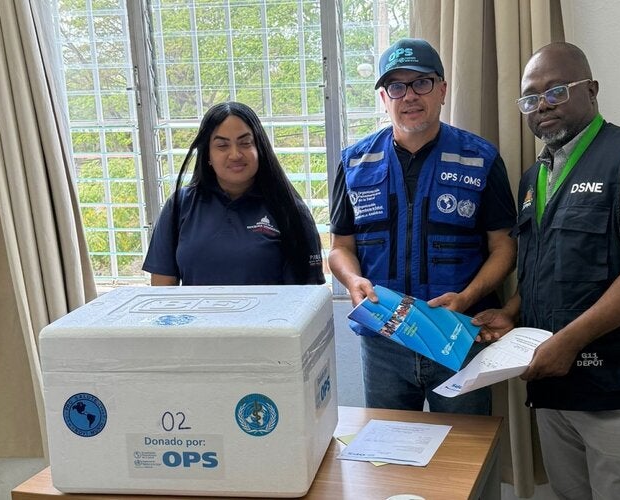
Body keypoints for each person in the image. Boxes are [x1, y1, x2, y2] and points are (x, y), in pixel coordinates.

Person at [473, 42, 620, 500]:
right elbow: (541, 265)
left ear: (590, 90)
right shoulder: (534, 178)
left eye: (555, 92)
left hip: (619, 387)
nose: (541, 107)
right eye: (530, 99)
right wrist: (512, 311)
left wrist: (568, 341)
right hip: (555, 383)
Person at [329, 38, 517, 414]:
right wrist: (352, 282)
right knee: (388, 455)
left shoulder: (480, 158)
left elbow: (504, 247)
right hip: (384, 339)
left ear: (443, 90)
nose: (409, 96)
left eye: (421, 83)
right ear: (384, 98)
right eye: (396, 87)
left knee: (466, 458)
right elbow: (339, 248)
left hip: (459, 336)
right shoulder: (354, 163)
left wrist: (466, 298)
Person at [143, 101, 325, 286]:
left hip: (268, 315)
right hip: (196, 315)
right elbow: (162, 289)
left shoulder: (291, 210)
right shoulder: (180, 205)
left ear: (260, 149)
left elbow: (306, 297)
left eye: (245, 143)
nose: (235, 154)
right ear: (208, 155)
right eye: (222, 145)